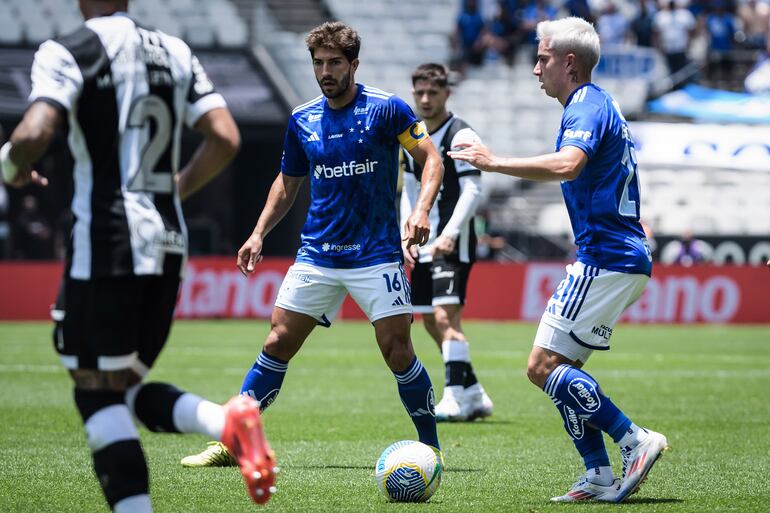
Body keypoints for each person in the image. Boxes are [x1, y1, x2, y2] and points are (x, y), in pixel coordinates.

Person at [0, 1, 276, 510]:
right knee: (122, 389)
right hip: (169, 243)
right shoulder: (174, 50)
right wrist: (174, 191)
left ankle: (227, 423)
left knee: (95, 392)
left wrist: (10, 166)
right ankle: (223, 422)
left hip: (108, 242)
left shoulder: (69, 48)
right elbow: (226, 136)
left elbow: (33, 133)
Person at [181, 21, 444, 467]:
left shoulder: (388, 110)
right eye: (319, 63)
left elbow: (431, 159)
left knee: (398, 351)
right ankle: (233, 442)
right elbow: (287, 184)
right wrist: (258, 232)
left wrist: (420, 211)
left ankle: (430, 446)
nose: (325, 71)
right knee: (277, 342)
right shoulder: (302, 119)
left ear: (353, 64)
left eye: (334, 63)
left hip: (376, 254)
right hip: (318, 253)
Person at [449, 17, 668, 503]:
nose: (534, 69)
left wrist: (492, 160)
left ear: (569, 63)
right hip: (616, 255)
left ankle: (634, 439)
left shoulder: (586, 105)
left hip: (605, 258)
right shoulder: (598, 103)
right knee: (559, 369)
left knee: (542, 366)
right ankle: (598, 475)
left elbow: (570, 164)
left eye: (542, 58)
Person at [400, 63, 492, 422]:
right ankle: (474, 393)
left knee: (445, 315)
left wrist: (450, 234)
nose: (425, 99)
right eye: (419, 93)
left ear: (446, 94)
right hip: (423, 240)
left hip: (453, 243)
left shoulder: (461, 133)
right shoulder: (414, 134)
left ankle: (454, 398)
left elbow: (474, 189)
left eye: (432, 93)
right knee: (428, 321)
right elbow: (409, 186)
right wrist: (407, 231)